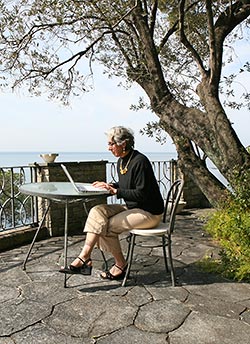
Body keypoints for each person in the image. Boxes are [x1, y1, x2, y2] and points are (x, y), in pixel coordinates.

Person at [59, 126, 164, 280]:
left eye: (111, 144)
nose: (109, 148)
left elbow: (142, 193)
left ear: (123, 144)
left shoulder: (140, 161)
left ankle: (116, 264)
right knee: (97, 211)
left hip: (149, 212)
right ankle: (85, 257)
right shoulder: (121, 162)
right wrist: (110, 185)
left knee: (105, 226)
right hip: (132, 207)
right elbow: (127, 186)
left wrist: (116, 191)